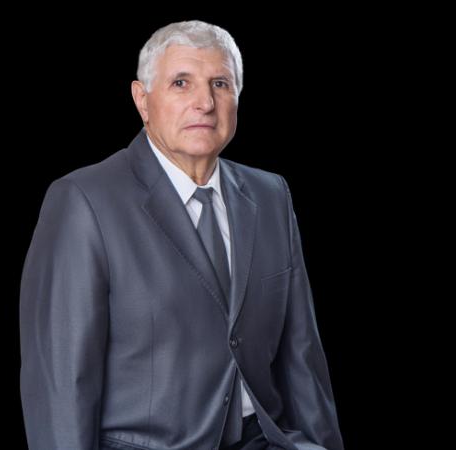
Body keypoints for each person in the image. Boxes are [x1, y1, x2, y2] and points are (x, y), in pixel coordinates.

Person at [20, 20, 344, 450]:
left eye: (220, 84)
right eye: (181, 83)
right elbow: (60, 384)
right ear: (142, 100)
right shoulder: (83, 201)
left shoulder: (271, 196)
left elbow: (301, 355)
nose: (205, 103)